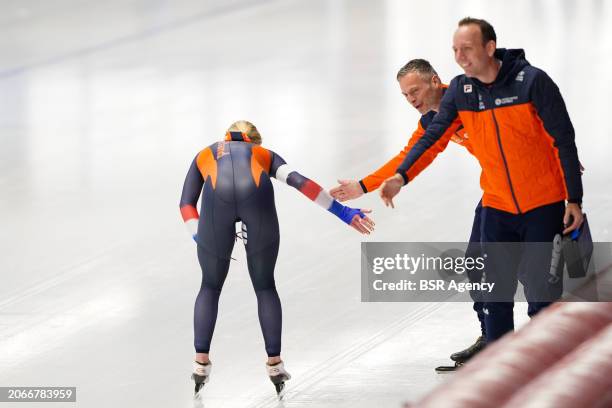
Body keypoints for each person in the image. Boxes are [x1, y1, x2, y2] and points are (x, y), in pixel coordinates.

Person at [380, 17, 584, 344]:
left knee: (541, 296)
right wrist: (402, 176)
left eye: (468, 49)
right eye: (455, 50)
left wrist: (573, 195)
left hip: (541, 203)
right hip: (497, 204)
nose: (460, 57)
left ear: (490, 48)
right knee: (490, 289)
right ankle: (494, 351)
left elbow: (562, 138)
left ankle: (545, 364)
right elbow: (432, 137)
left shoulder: (531, 82)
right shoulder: (461, 91)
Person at [179, 120, 375, 396]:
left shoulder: (204, 154)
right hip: (257, 203)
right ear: (253, 142)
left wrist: (200, 236)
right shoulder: (264, 155)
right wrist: (343, 213)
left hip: (214, 211)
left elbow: (186, 203)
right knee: (264, 286)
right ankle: (275, 364)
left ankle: (200, 363)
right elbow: (300, 183)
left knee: (209, 286)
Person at [329, 59, 486, 369]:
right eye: (405, 95)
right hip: (497, 186)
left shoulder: (471, 96)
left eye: (415, 90)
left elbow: (522, 116)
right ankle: (492, 335)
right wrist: (363, 185)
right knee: (478, 262)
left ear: (435, 81)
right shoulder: (431, 122)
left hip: (530, 180)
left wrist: (557, 152)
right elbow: (408, 156)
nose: (412, 99)